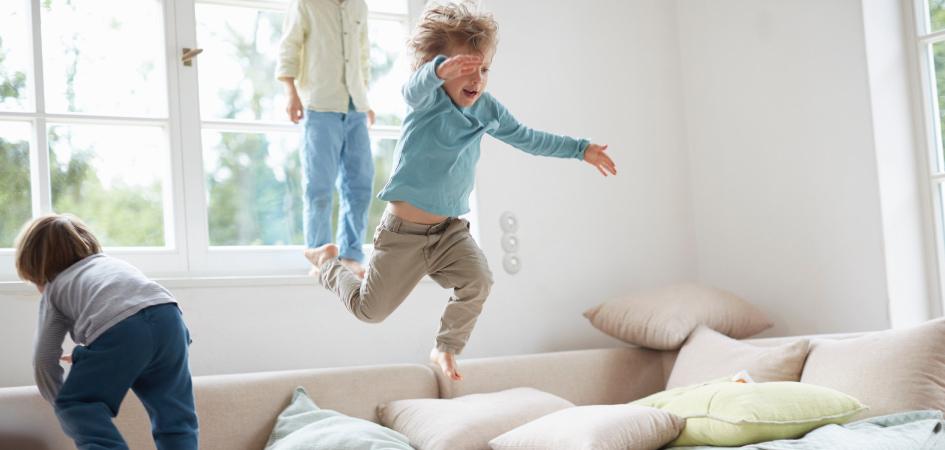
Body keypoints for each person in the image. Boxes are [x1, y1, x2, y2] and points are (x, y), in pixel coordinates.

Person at [305, 2, 617, 381]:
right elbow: (411, 87)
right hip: (403, 236)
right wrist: (438, 71)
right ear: (438, 68)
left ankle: (445, 347)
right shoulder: (427, 100)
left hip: (448, 233)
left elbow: (529, 139)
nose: (477, 78)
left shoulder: (488, 111)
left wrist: (579, 148)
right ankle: (327, 264)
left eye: (484, 69)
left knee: (479, 280)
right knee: (370, 311)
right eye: (465, 68)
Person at [15, 214, 198, 450]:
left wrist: (62, 402)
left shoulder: (56, 288)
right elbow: (139, 322)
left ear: (36, 268)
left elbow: (44, 360)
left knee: (78, 403)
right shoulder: (112, 265)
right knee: (175, 417)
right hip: (170, 322)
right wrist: (92, 356)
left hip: (123, 331)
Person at [277, 0, 376, 277]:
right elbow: (289, 47)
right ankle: (319, 253)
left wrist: (365, 99)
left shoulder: (359, 6)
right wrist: (290, 93)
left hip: (356, 106)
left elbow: (363, 53)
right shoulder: (305, 4)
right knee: (319, 186)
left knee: (360, 185)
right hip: (319, 106)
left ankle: (351, 255)